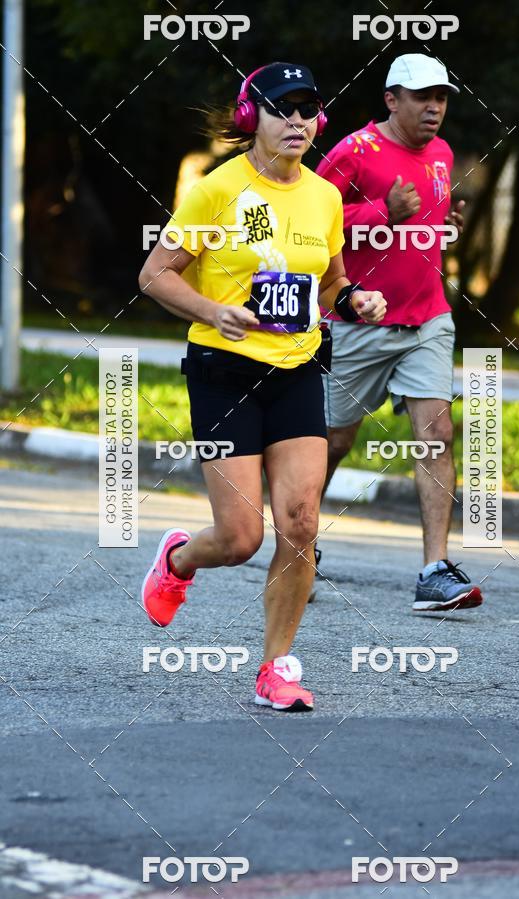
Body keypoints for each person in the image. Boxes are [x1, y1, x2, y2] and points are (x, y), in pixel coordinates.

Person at [138, 62, 386, 711]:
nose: (297, 121)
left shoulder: (323, 197)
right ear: (253, 118)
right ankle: (179, 560)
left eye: (308, 109)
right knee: (241, 535)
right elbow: (155, 274)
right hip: (225, 371)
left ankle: (276, 667)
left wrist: (354, 298)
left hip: (298, 368)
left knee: (300, 520)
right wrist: (212, 309)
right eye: (282, 108)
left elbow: (329, 280)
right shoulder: (216, 192)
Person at [315, 53, 483, 612]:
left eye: (441, 97)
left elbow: (422, 227)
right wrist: (379, 214)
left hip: (427, 318)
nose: (434, 107)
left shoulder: (441, 153)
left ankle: (434, 571)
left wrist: (445, 229)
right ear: (391, 100)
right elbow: (311, 221)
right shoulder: (353, 152)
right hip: (358, 322)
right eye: (421, 97)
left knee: (436, 434)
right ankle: (298, 540)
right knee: (334, 442)